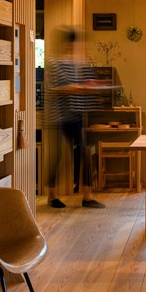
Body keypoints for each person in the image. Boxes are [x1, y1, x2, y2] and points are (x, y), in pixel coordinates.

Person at [45, 26, 106, 209]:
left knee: (84, 153)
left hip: (74, 115)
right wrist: (78, 87)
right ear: (65, 43)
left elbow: (80, 85)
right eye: (71, 44)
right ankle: (52, 196)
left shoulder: (76, 64)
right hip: (58, 116)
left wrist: (92, 85)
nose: (73, 47)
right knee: (58, 157)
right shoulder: (53, 62)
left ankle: (87, 196)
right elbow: (54, 88)